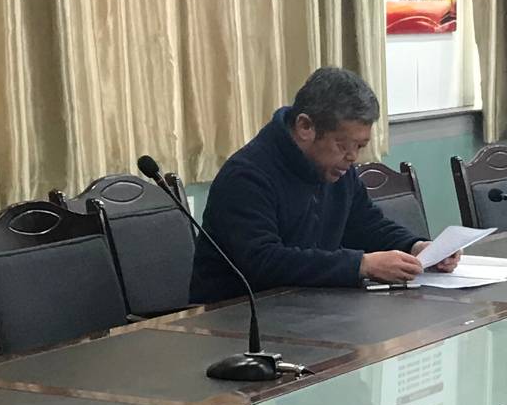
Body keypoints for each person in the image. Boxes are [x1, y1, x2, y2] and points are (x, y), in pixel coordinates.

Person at [191, 66, 453, 296]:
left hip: (308, 305)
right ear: (305, 127)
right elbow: (264, 261)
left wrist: (414, 247)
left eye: (360, 146)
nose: (352, 157)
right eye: (342, 145)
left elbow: (366, 225)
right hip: (236, 317)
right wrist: (361, 265)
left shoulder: (337, 169)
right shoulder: (246, 176)